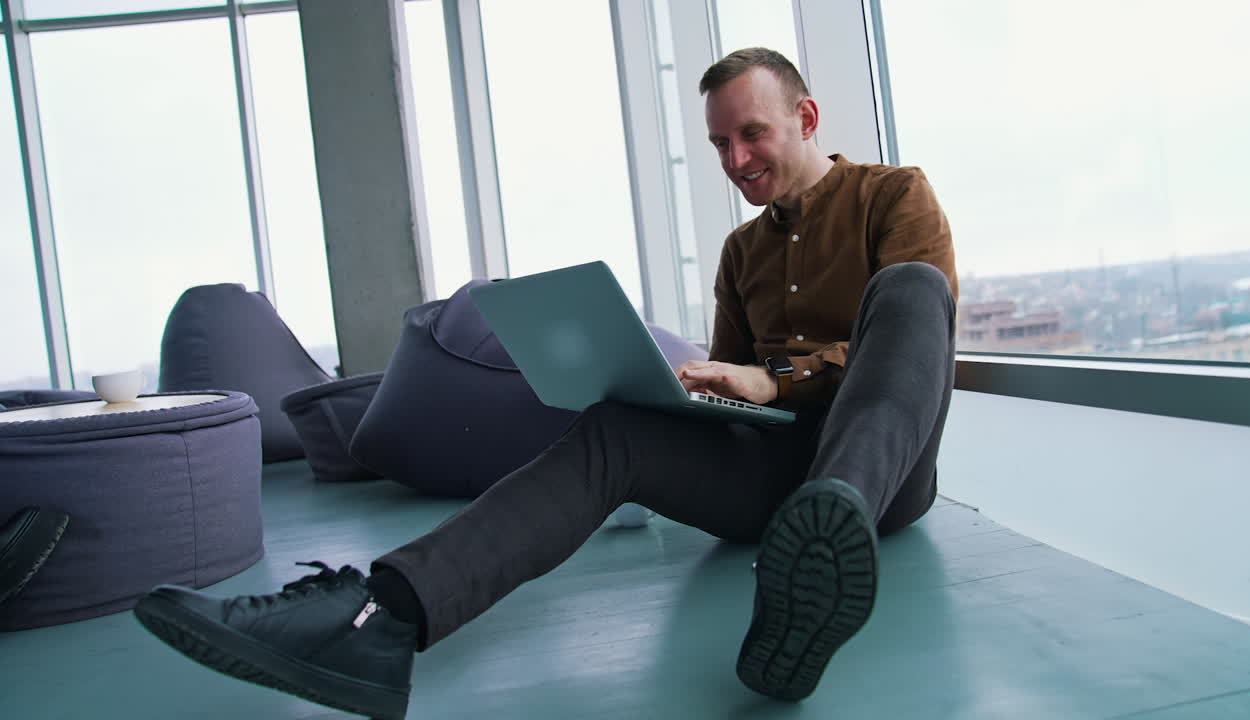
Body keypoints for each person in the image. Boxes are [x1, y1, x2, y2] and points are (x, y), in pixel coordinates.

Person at [132, 47, 958, 720]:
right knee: (612, 430)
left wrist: (777, 379)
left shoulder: (895, 195)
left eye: (752, 134)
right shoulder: (742, 254)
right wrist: (681, 395)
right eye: (719, 146)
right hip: (775, 475)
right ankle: (378, 617)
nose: (736, 161)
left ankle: (826, 532)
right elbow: (732, 393)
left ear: (806, 119)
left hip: (882, 473)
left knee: (911, 290)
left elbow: (916, 349)